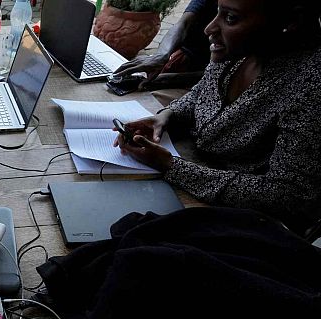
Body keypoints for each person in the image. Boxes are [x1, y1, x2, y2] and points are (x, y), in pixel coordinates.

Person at [114, 0, 321, 234]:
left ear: (291, 22)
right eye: (216, 12)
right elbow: (203, 92)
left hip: (247, 226)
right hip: (194, 176)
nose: (209, 28)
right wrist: (168, 115)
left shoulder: (310, 87)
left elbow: (287, 195)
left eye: (230, 18)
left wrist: (170, 165)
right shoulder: (239, 51)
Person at [113, 0, 217, 90]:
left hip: (204, 80)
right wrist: (162, 55)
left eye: (230, 18)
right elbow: (183, 23)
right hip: (185, 62)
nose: (208, 29)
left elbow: (221, 75)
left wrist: (169, 79)